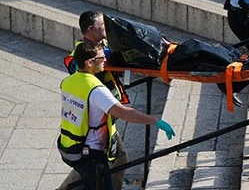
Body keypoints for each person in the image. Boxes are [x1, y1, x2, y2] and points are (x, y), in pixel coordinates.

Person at [57, 42, 176, 190]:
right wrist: (155, 121)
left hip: (71, 146)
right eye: (101, 58)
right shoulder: (96, 90)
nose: (105, 60)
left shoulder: (68, 82)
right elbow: (125, 113)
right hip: (92, 153)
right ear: (89, 63)